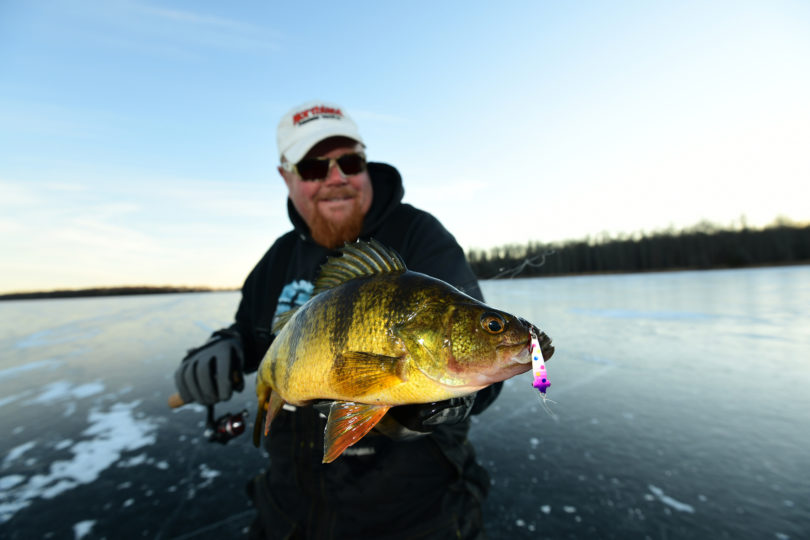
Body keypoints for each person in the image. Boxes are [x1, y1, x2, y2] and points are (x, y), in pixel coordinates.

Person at [173, 100, 502, 539]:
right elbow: (253, 337)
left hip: (417, 517)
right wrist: (224, 345)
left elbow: (483, 370)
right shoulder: (276, 260)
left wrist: (428, 405)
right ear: (286, 176)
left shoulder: (419, 238)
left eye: (350, 161)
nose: (337, 177)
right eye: (313, 167)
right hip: (287, 513)